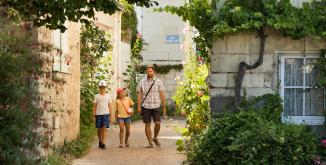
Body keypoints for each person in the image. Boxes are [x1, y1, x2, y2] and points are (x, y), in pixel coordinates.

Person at [137, 64, 166, 148]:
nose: (149, 72)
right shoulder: (142, 81)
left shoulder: (158, 82)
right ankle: (150, 143)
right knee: (147, 124)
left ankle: (155, 137)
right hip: (145, 105)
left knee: (157, 123)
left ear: (154, 71)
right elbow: (139, 95)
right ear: (146, 72)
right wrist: (138, 106)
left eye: (150, 71)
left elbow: (162, 95)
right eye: (148, 71)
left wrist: (164, 107)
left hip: (156, 105)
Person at [93, 80, 112, 149]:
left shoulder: (108, 96)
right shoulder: (96, 96)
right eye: (101, 87)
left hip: (106, 114)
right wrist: (94, 115)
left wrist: (110, 115)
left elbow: (110, 106)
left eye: (103, 87)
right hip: (98, 114)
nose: (102, 89)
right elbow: (94, 106)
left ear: (105, 88)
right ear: (99, 88)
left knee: (104, 128)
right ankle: (100, 141)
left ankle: (103, 143)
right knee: (99, 129)